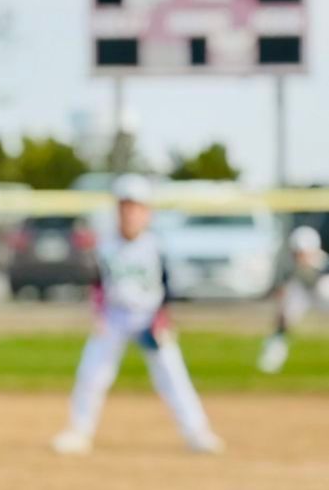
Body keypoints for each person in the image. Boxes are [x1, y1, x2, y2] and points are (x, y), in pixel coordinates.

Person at [52, 175, 224, 456]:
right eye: (125, 207)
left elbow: (168, 285)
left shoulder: (156, 245)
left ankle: (197, 432)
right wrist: (98, 313)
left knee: (172, 374)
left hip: (148, 317)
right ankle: (78, 431)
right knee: (92, 372)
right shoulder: (106, 245)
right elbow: (97, 282)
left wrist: (163, 317)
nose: (130, 213)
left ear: (147, 212)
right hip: (115, 316)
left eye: (136, 207)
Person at [257, 225, 329, 374]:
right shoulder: (288, 263)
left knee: (324, 287)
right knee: (285, 312)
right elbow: (284, 286)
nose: (300, 256)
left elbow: (317, 280)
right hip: (303, 293)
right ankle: (273, 354)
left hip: (322, 293)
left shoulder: (323, 262)